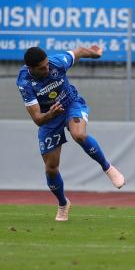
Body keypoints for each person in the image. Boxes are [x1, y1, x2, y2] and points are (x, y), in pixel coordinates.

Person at [16, 46, 126, 222]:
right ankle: (63, 203)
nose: (47, 69)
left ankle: (108, 168)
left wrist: (95, 54)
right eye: (42, 68)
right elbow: (37, 119)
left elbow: (80, 51)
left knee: (79, 135)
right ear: (31, 69)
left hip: (70, 104)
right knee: (51, 168)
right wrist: (51, 114)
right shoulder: (25, 83)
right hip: (49, 117)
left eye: (47, 65)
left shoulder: (57, 62)